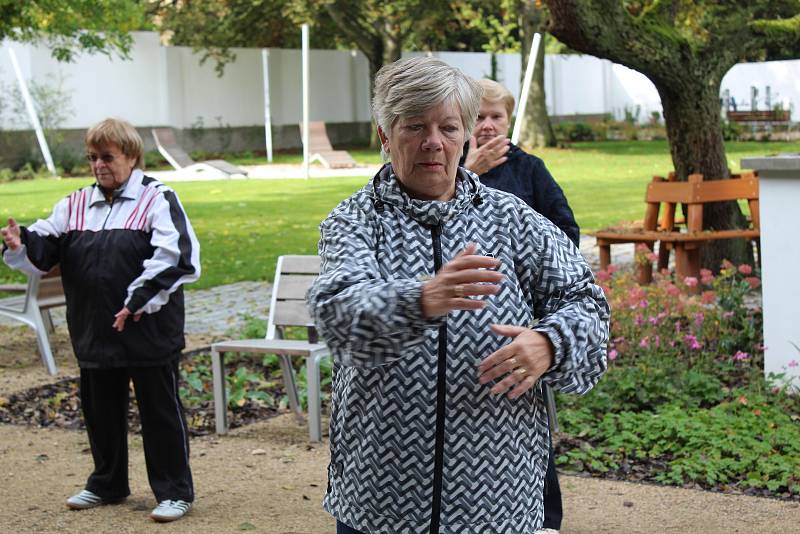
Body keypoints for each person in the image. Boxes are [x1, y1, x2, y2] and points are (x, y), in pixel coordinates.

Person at [307, 56, 609, 534]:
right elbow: (339, 318)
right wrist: (422, 298)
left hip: (497, 494)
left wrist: (549, 344)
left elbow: (587, 301)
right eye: (414, 126)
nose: (433, 142)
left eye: (448, 127)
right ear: (385, 135)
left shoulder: (511, 219)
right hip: (383, 495)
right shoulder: (356, 221)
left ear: (466, 132)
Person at [1, 118, 200, 523]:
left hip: (147, 328)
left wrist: (136, 301)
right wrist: (22, 243)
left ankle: (174, 491)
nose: (98, 165)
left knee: (159, 411)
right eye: (93, 158)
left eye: (107, 157)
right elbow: (44, 246)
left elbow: (178, 257)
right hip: (95, 328)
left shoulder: (157, 198)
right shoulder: (73, 204)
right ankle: (107, 483)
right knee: (100, 410)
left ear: (131, 156)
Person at [462, 78, 580, 533]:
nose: (488, 126)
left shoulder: (529, 170)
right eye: (479, 118)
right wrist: (469, 168)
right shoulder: (446, 172)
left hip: (515, 320)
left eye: (497, 117)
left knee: (525, 412)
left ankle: (545, 519)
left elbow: (566, 233)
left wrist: (528, 275)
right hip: (458, 317)